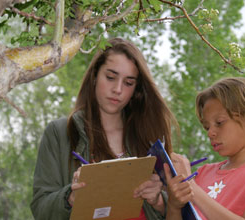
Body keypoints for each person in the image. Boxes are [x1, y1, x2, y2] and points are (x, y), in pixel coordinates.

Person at [30, 38, 177, 220]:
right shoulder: (59, 133)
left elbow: (177, 211)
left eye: (128, 83)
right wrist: (71, 197)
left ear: (136, 90)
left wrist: (159, 202)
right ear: (94, 76)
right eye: (110, 77)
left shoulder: (149, 138)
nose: (117, 89)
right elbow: (40, 209)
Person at [164, 77, 245, 220]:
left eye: (219, 123)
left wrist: (192, 189)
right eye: (207, 127)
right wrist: (174, 205)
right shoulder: (202, 173)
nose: (210, 133)